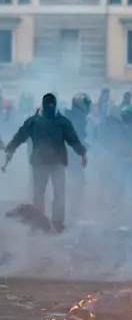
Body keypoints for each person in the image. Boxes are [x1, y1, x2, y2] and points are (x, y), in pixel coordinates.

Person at [3, 93, 88, 232]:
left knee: (59, 194)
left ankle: (58, 222)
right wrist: (10, 148)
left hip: (57, 163)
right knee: (39, 194)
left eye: (51, 105)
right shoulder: (34, 121)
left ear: (54, 106)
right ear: (44, 105)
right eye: (48, 105)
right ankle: (39, 222)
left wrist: (82, 153)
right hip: (40, 163)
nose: (50, 108)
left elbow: (73, 139)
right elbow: (20, 135)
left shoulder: (62, 122)